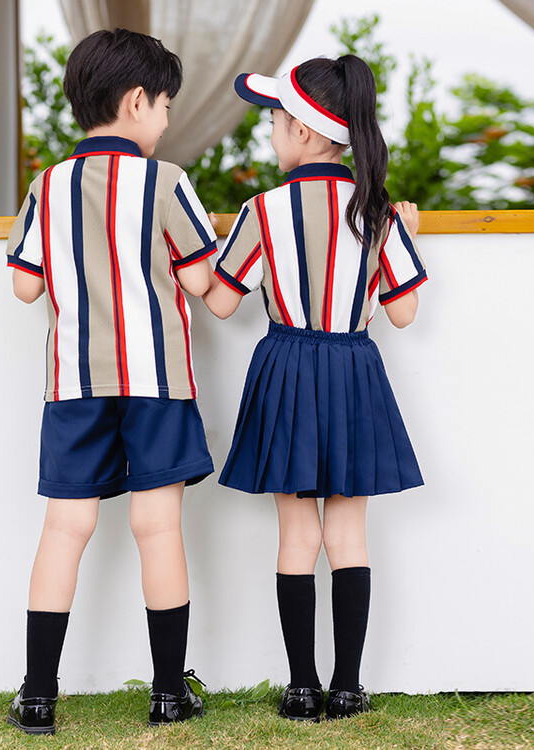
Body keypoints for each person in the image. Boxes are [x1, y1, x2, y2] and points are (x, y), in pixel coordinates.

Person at [4, 28, 217, 735]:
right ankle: (168, 694)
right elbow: (199, 279)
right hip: (157, 381)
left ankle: (39, 696)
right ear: (137, 101)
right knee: (158, 527)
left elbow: (24, 287)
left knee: (64, 528)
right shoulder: (168, 182)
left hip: (74, 382)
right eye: (165, 107)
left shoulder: (48, 186)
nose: (166, 121)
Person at [202, 56, 427, 722]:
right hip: (354, 370)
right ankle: (348, 688)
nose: (271, 133)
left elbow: (220, 303)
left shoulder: (262, 211)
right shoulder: (377, 210)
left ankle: (301, 688)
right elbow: (404, 312)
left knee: (296, 535)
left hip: (287, 369)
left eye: (274, 121)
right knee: (348, 536)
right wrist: (407, 236)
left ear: (303, 131)